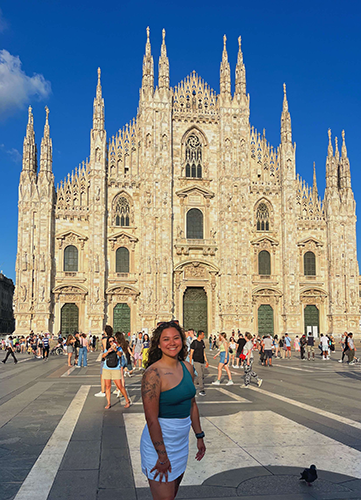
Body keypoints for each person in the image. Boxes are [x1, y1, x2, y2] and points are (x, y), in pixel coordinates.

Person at [140, 321, 205, 500]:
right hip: (160, 445)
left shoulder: (187, 367)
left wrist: (199, 436)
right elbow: (151, 419)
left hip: (181, 444)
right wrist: (162, 456)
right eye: (166, 339)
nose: (172, 343)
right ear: (158, 344)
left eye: (176, 338)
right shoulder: (153, 374)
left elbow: (192, 404)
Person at [101, 334, 131, 409]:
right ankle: (108, 403)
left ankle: (127, 400)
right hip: (106, 368)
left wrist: (115, 350)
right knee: (108, 386)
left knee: (119, 386)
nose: (111, 343)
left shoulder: (119, 348)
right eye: (110, 341)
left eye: (112, 341)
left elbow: (120, 355)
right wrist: (108, 351)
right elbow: (103, 356)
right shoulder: (107, 348)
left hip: (115, 369)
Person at [189, 330, 209, 396]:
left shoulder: (202, 342)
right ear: (200, 335)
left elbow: (203, 351)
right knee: (200, 375)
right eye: (203, 335)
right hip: (196, 361)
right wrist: (190, 362)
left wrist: (206, 360)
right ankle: (201, 389)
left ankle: (194, 384)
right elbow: (191, 353)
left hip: (202, 360)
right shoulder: (194, 343)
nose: (203, 336)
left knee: (202, 375)